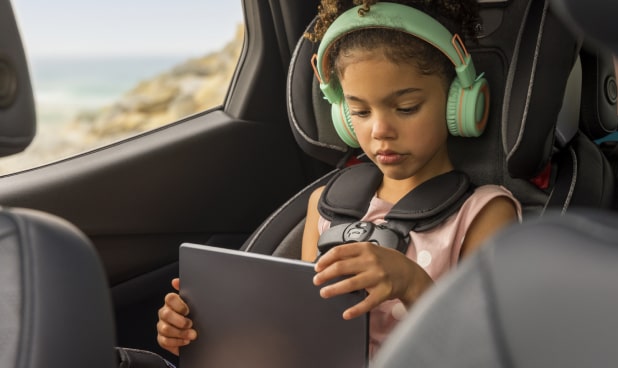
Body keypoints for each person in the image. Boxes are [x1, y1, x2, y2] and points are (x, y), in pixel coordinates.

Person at [156, 0, 522, 359]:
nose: (380, 130)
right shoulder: (326, 206)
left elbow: (486, 351)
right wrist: (206, 328)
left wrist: (412, 283)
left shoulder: (484, 215)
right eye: (360, 111)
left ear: (460, 102)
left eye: (406, 108)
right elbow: (301, 331)